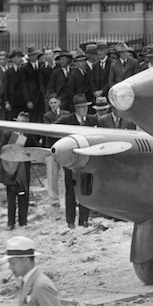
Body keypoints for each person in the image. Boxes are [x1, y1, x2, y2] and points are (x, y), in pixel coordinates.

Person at [58, 97, 97, 228]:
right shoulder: (66, 121)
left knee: (85, 188)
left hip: (87, 160)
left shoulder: (92, 120)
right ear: (76, 108)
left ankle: (84, 219)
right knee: (70, 189)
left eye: (86, 106)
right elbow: (52, 130)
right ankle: (70, 220)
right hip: (71, 160)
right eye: (82, 107)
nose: (85, 109)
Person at [0, 112, 32, 231]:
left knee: (23, 195)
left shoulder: (29, 134)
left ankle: (23, 221)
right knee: (11, 196)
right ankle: (10, 223)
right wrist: (13, 148)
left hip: (24, 169)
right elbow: (1, 148)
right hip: (11, 169)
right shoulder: (8, 133)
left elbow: (34, 147)